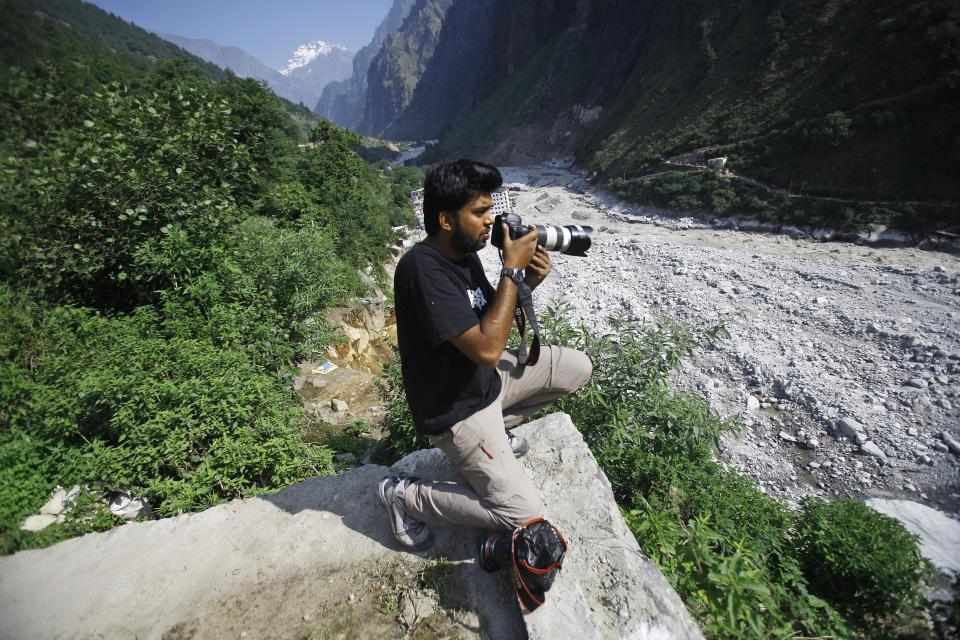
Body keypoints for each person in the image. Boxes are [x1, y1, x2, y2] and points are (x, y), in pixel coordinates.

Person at [379, 159, 592, 550]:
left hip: (484, 385)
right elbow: (489, 347)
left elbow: (490, 314)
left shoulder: (465, 251)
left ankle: (497, 430)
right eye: (480, 213)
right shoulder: (421, 269)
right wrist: (511, 269)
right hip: (455, 410)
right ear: (446, 220)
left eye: (491, 210)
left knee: (577, 368)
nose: (491, 222)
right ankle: (404, 497)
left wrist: (526, 280)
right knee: (523, 516)